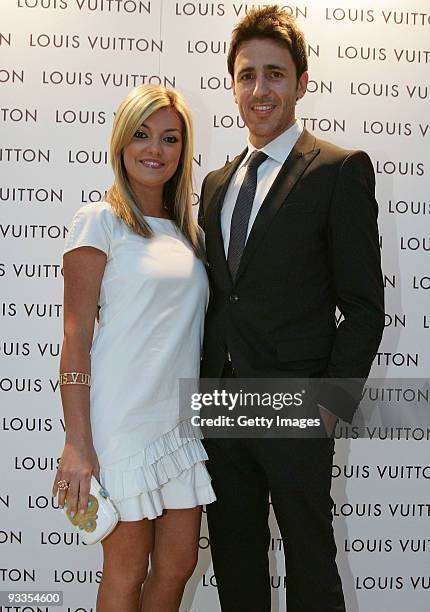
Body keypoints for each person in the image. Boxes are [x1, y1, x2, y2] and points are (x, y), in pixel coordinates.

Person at [198, 6, 384, 612]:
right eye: (247, 74)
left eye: (275, 74)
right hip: (221, 405)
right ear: (232, 84)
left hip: (296, 409)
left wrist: (329, 406)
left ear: (301, 83)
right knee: (235, 564)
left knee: (311, 567)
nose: (260, 89)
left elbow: (363, 305)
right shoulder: (216, 184)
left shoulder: (337, 170)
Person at [52, 84, 216, 612]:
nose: (155, 149)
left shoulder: (191, 233)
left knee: (178, 566)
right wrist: (78, 444)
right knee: (125, 570)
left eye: (170, 138)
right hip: (123, 424)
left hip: (179, 425)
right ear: (121, 142)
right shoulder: (99, 221)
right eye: (142, 135)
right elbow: (76, 338)